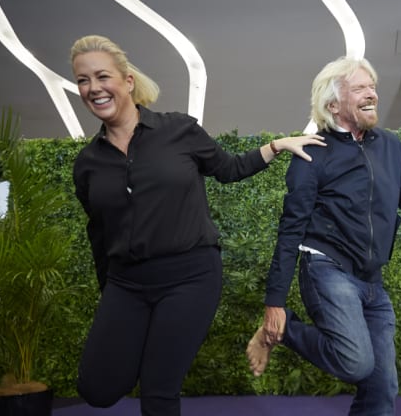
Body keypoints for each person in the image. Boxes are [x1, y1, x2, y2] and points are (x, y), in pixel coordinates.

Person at [70, 34, 325, 416]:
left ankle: (158, 365)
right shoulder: (87, 164)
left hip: (189, 277)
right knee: (97, 387)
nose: (93, 87)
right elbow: (100, 234)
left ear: (127, 81)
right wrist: (111, 298)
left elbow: (229, 169)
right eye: (83, 80)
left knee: (158, 392)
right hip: (126, 284)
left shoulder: (178, 130)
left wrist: (276, 146)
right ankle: (148, 354)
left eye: (102, 76)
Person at [245, 56, 401, 415]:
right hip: (326, 269)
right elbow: (290, 230)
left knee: (382, 389)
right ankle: (283, 330)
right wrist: (274, 306)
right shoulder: (311, 154)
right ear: (333, 105)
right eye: (359, 88)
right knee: (355, 363)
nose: (371, 94)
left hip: (372, 279)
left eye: (372, 87)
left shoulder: (390, 146)